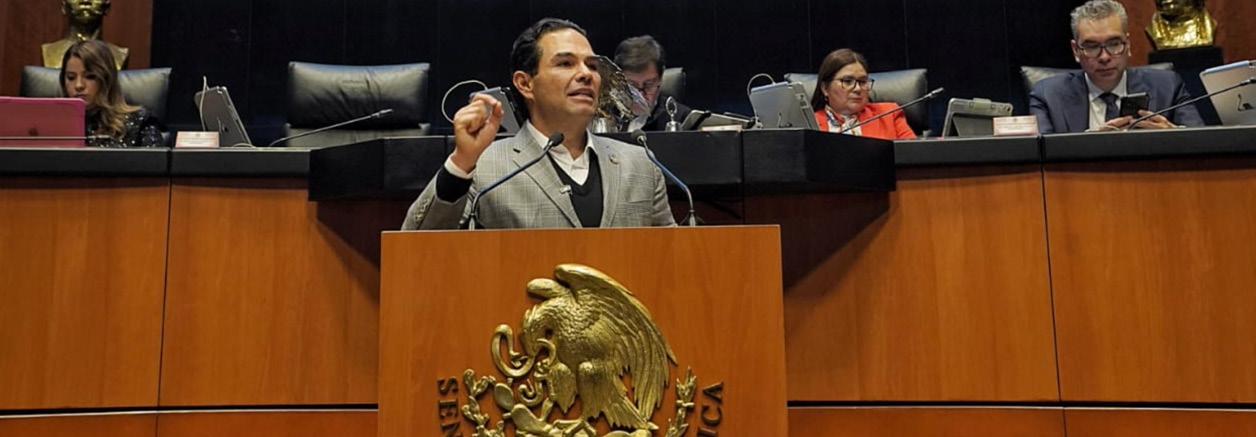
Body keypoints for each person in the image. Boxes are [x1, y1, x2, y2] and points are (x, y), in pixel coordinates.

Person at [401, 18, 675, 230]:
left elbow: (673, 258)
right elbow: (417, 248)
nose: (586, 74)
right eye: (565, 64)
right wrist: (461, 164)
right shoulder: (484, 167)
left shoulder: (640, 164)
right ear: (525, 84)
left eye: (592, 66)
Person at [1029, 0, 1204, 133]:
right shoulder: (1048, 95)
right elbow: (1041, 159)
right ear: (1076, 50)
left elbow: (1202, 142)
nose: (1104, 57)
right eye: (1092, 47)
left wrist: (1174, 135)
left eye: (1114, 44)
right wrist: (1088, 145)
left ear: (1128, 44)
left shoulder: (1167, 86)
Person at [60, 40, 164, 148]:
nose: (78, 85)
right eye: (71, 77)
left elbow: (155, 159)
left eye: (90, 76)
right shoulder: (54, 125)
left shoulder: (140, 123)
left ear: (107, 80)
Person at [809, 49, 916, 140]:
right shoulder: (809, 125)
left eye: (863, 82)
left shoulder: (889, 115)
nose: (857, 89)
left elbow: (913, 154)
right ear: (825, 88)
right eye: (847, 81)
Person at [613, 35, 691, 131]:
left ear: (660, 78)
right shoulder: (604, 115)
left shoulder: (683, 120)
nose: (640, 96)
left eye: (648, 84)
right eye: (632, 86)